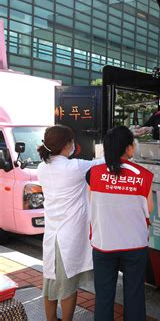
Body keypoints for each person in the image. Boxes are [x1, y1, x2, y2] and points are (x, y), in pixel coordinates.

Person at [87, 126, 154, 321]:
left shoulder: (94, 173)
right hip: (134, 244)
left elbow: (92, 201)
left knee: (104, 296)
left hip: (103, 243)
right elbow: (149, 208)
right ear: (129, 148)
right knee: (134, 294)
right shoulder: (144, 175)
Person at [37, 125, 103, 321]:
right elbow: (104, 162)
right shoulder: (74, 167)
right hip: (69, 236)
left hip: (52, 234)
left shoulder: (42, 167)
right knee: (67, 287)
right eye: (72, 141)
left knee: (50, 283)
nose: (74, 145)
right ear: (66, 145)